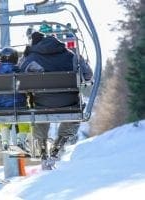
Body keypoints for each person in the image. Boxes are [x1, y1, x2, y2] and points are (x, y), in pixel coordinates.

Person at [19, 31, 93, 169]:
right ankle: (59, 146)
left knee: (39, 116)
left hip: (42, 103)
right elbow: (88, 76)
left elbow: (19, 79)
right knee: (75, 112)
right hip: (69, 102)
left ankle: (42, 151)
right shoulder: (72, 55)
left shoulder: (32, 59)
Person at [0, 47, 31, 152]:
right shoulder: (20, 70)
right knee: (24, 117)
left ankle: (5, 142)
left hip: (1, 105)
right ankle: (21, 141)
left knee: (2, 118)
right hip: (20, 104)